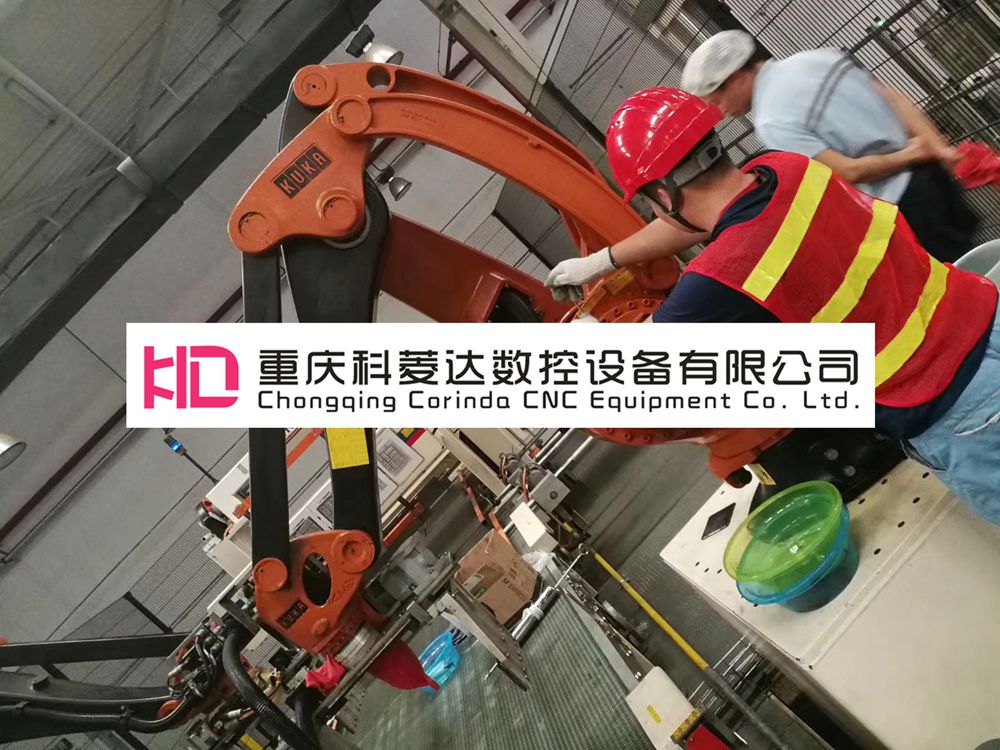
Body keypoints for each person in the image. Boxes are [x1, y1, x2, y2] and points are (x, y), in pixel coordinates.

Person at [551, 87, 1000, 522]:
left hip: (955, 402)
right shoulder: (787, 168)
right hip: (985, 316)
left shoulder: (720, 277)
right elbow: (702, 221)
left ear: (663, 196)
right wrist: (602, 260)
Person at [679, 30, 979, 262]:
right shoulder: (818, 58)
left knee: (966, 294)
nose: (722, 111)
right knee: (982, 261)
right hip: (935, 178)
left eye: (717, 100)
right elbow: (892, 96)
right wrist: (935, 147)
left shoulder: (772, 120)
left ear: (735, 78)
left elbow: (849, 172)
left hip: (903, 209)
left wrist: (910, 154)